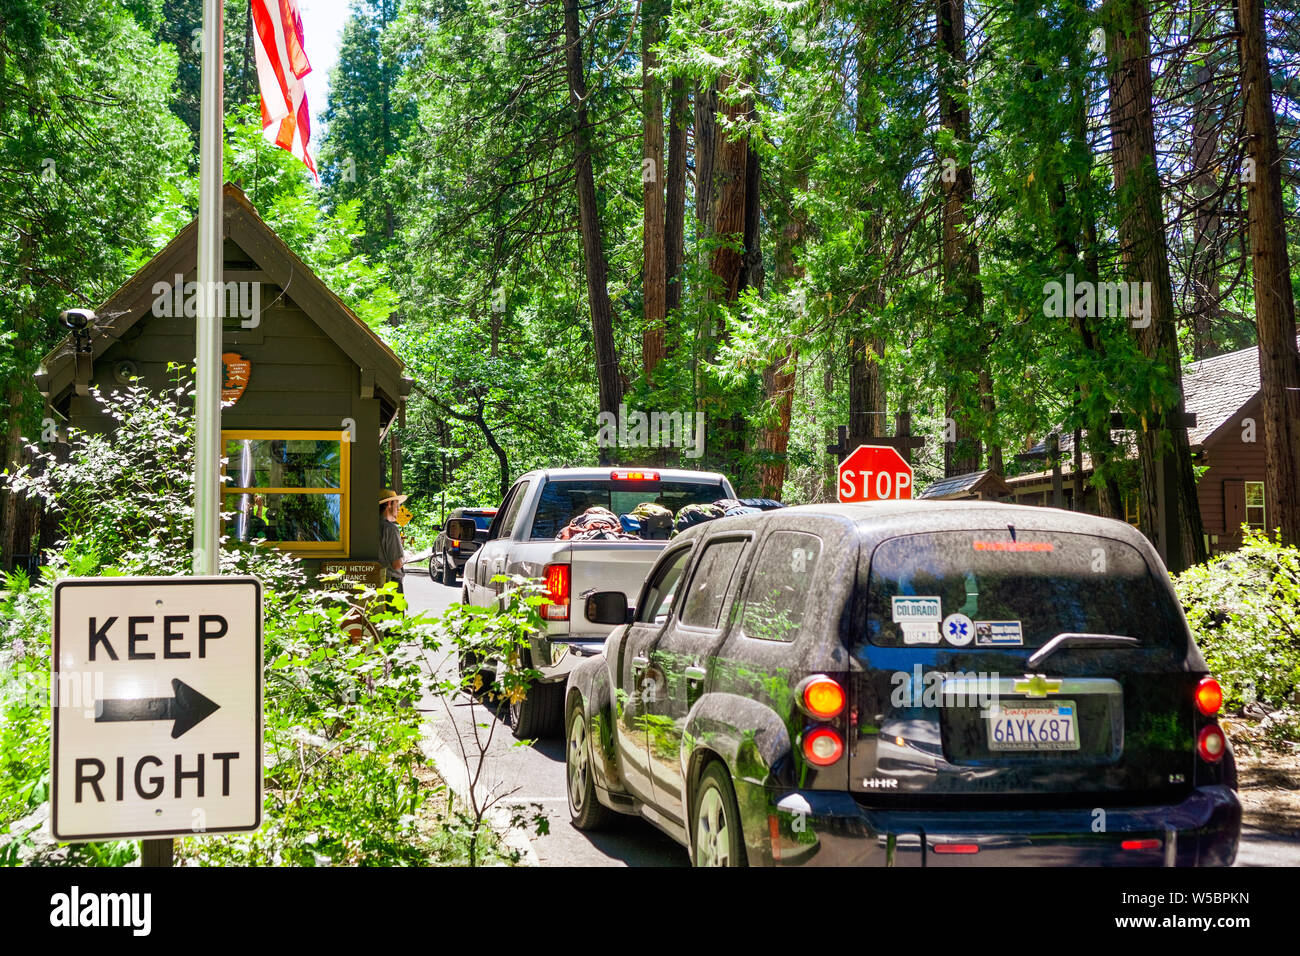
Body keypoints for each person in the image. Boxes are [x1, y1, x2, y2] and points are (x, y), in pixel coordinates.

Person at [378, 489, 409, 608]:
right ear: (389, 504)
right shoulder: (390, 529)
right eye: (397, 504)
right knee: (394, 625)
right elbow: (396, 564)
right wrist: (406, 555)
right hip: (392, 585)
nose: (399, 508)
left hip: (376, 582)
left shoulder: (373, 525)